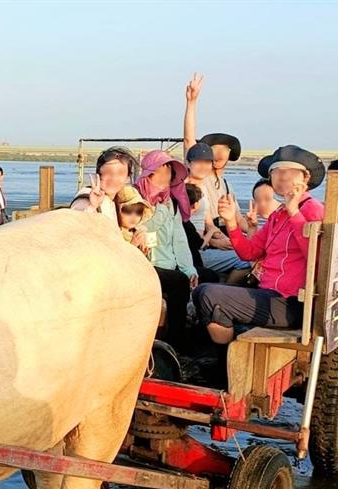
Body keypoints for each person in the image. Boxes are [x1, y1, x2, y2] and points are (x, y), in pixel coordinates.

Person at [193, 145, 326, 345]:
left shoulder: (312, 210)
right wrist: (231, 222)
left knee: (211, 296)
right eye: (276, 171)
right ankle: (227, 357)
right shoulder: (277, 215)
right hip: (266, 293)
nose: (281, 176)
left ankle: (225, 361)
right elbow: (250, 252)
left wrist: (294, 213)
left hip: (290, 302)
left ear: (305, 178)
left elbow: (317, 257)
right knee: (202, 292)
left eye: (288, 171)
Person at [136, 150, 196, 348]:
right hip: (145, 264)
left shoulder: (172, 203)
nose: (164, 176)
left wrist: (190, 269)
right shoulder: (135, 199)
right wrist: (161, 208)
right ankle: (176, 342)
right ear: (148, 174)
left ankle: (185, 335)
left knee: (203, 276)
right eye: (159, 171)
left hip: (169, 263)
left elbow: (180, 240)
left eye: (168, 171)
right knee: (178, 282)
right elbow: (145, 227)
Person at [183, 73, 242, 241]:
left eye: (224, 150)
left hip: (218, 233)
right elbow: (189, 140)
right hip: (204, 241)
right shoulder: (200, 176)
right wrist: (192, 103)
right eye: (214, 150)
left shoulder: (226, 185)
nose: (219, 154)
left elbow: (237, 218)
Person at [71, 147, 138, 215]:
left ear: (127, 178)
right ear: (98, 175)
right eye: (108, 172)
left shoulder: (117, 202)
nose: (113, 178)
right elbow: (74, 220)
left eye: (120, 173)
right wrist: (91, 207)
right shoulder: (87, 196)